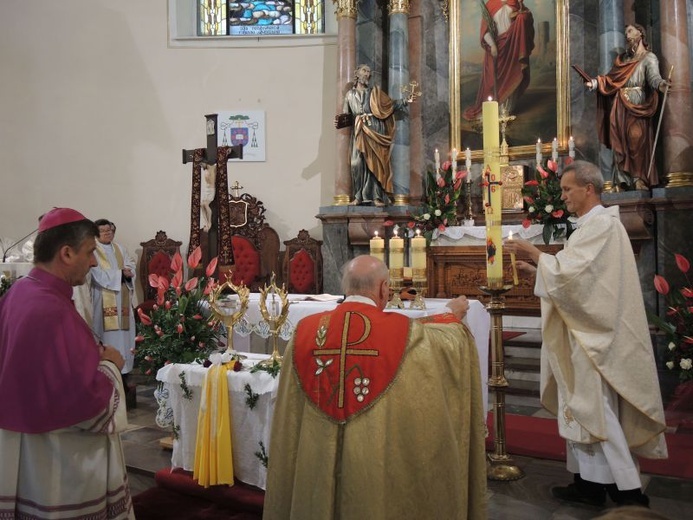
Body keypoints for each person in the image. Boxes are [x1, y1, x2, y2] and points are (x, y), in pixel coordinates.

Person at [263, 255, 487, 519]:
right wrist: (452, 314)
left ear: (345, 287)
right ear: (383, 289)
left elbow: (289, 413)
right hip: (372, 464)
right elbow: (442, 341)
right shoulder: (405, 331)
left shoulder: (305, 329)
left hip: (315, 461)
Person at [504, 161, 668, 508]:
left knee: (597, 411)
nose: (563, 196)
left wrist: (533, 252)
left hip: (596, 338)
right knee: (578, 407)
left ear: (588, 189)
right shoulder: (591, 227)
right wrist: (538, 270)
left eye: (567, 189)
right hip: (582, 332)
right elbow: (575, 277)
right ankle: (588, 485)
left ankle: (628, 493)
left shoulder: (603, 227)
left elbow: (575, 277)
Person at [0, 207, 134, 519]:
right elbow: (85, 401)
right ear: (66, 253)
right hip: (58, 460)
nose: (92, 262)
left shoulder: (20, 292)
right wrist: (111, 365)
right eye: (89, 252)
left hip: (22, 443)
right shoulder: (51, 309)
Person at [587, 24, 669, 190]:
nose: (627, 35)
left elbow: (653, 78)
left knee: (636, 140)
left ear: (641, 33)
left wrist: (661, 85)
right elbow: (610, 79)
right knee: (619, 142)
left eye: (630, 31)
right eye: (625, 32)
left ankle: (639, 178)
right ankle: (622, 181)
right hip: (619, 106)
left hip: (637, 104)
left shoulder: (649, 58)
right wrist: (595, 83)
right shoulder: (623, 60)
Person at [335, 64, 409, 206]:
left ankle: (376, 197)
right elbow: (346, 114)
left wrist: (404, 101)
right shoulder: (350, 95)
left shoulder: (374, 93)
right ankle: (358, 196)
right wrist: (340, 121)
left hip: (375, 128)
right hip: (359, 130)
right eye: (364, 71)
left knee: (373, 163)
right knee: (356, 164)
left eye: (369, 72)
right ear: (356, 73)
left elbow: (389, 105)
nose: (367, 74)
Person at [463, 0, 535, 121]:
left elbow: (525, 17)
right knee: (492, 80)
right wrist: (492, 45)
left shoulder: (515, 2)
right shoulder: (491, 5)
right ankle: (493, 110)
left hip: (512, 46)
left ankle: (506, 110)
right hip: (497, 46)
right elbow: (485, 30)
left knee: (511, 75)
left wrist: (523, 16)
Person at [90, 219, 137, 385]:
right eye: (103, 231)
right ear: (96, 233)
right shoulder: (92, 250)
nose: (107, 233)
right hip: (103, 298)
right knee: (106, 335)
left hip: (122, 298)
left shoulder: (120, 248)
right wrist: (120, 275)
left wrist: (129, 272)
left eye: (109, 230)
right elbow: (96, 274)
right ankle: (105, 369)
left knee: (124, 337)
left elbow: (130, 264)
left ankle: (124, 371)